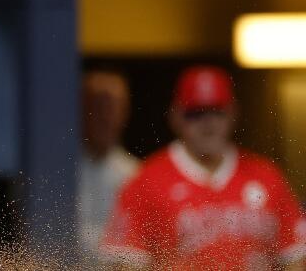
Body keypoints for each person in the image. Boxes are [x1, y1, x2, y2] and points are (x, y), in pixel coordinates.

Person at [99, 66, 306, 270]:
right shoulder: (146, 182)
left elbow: (295, 258)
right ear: (176, 116)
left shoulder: (266, 176)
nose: (208, 123)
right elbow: (125, 264)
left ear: (233, 113)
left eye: (217, 112)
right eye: (196, 113)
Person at [76, 70, 138, 264]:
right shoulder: (58, 172)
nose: (105, 117)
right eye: (97, 106)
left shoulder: (136, 174)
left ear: (125, 113)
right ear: (82, 109)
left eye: (112, 108)